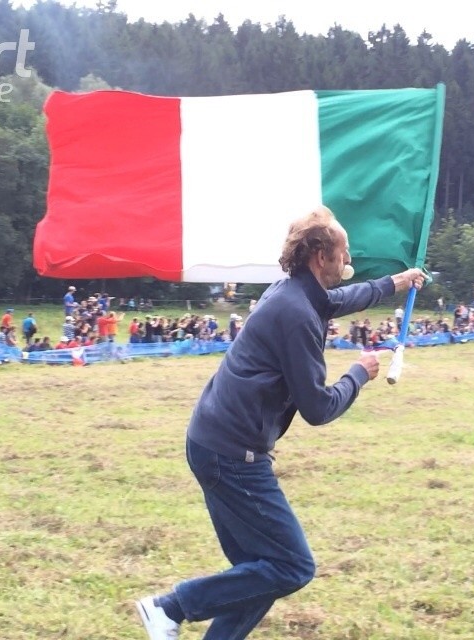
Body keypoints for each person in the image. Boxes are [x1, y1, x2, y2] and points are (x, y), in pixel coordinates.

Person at [135, 206, 424, 640]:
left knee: (259, 573)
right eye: (344, 252)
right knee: (291, 565)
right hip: (232, 455)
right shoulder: (298, 315)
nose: (349, 260)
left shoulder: (293, 292)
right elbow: (318, 408)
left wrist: (396, 283)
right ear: (321, 256)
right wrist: (357, 375)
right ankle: (169, 607)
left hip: (212, 440)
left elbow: (340, 300)